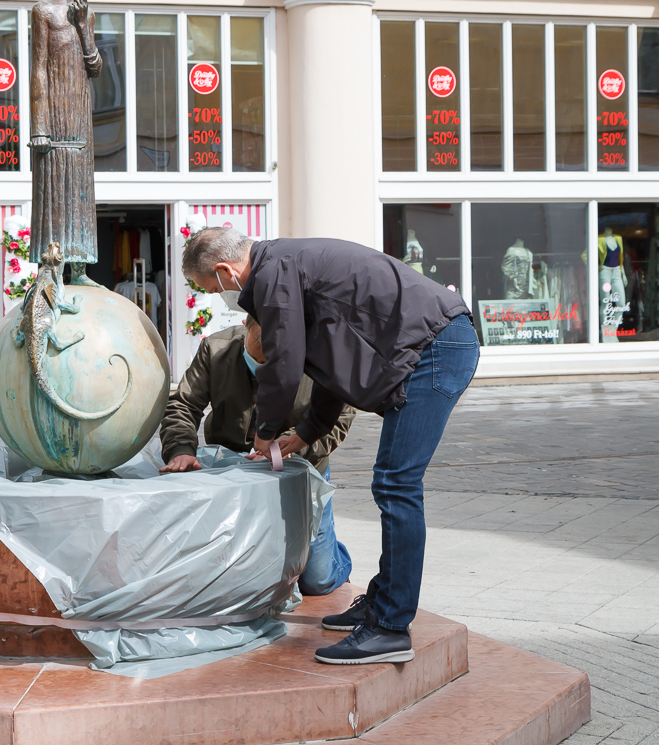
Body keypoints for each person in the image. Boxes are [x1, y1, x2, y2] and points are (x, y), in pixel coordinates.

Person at [182, 228, 479, 666]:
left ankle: (391, 628)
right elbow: (328, 366)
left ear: (226, 271)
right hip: (431, 343)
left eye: (213, 288)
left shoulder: (273, 275)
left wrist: (265, 433)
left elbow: (284, 368)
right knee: (393, 482)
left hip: (435, 347)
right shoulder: (285, 267)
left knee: (397, 484)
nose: (222, 297)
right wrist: (305, 432)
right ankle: (382, 603)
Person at [159, 317, 356, 596]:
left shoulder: (322, 356)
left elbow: (339, 418)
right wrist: (180, 449)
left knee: (317, 580)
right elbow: (183, 404)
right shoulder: (217, 348)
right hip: (233, 472)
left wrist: (287, 448)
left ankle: (336, 556)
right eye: (254, 360)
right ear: (246, 324)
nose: (260, 371)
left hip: (299, 468)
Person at [28, 0, 102, 286]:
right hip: (54, 114)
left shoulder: (86, 12)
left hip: (80, 113)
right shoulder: (43, 12)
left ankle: (81, 268)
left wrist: (84, 25)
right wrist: (39, 126)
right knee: (55, 191)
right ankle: (52, 268)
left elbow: (96, 67)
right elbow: (38, 70)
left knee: (81, 191)